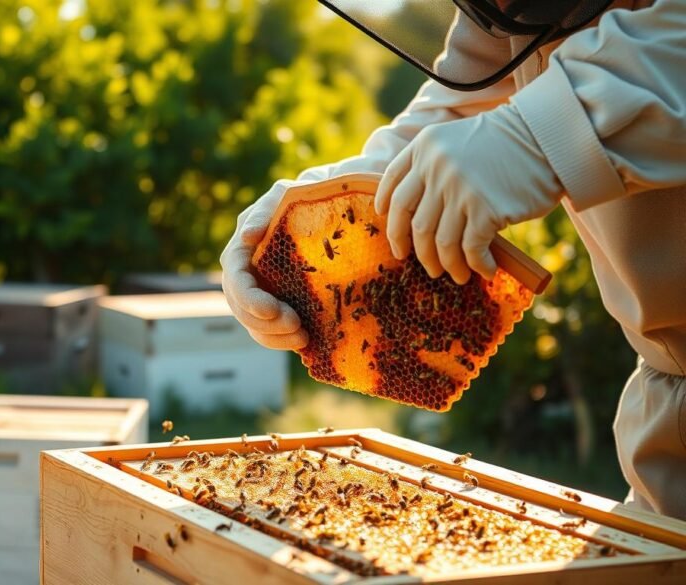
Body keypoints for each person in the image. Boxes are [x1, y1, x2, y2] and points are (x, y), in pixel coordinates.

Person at [221, 0, 686, 520]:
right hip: (666, 431)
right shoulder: (508, 12)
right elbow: (462, 109)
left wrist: (542, 133)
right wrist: (311, 210)